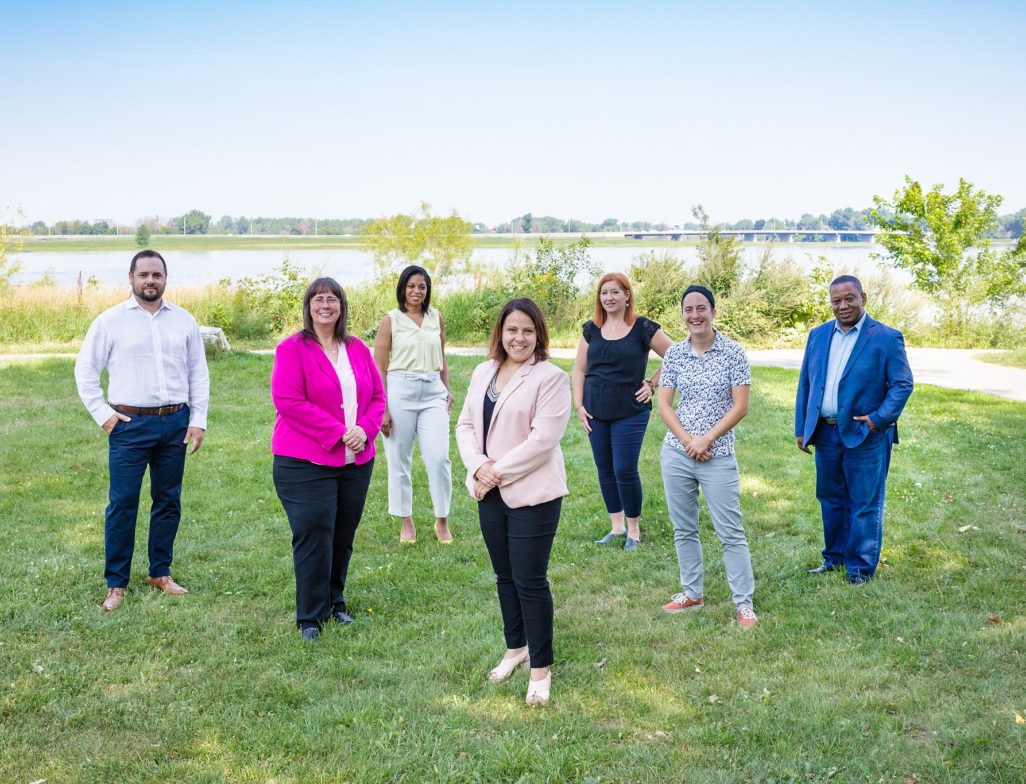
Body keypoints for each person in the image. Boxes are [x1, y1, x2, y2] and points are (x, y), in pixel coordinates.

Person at [74, 249, 209, 612]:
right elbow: (85, 371)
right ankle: (116, 583)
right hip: (129, 426)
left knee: (168, 501)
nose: (151, 281)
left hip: (174, 424)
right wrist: (104, 414)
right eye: (144, 275)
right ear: (131, 278)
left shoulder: (183, 321)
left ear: (166, 279)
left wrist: (198, 419)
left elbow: (199, 373)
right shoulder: (110, 321)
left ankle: (159, 572)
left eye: (157, 275)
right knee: (122, 504)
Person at [455, 298, 570, 706]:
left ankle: (540, 669)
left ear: (538, 334)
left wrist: (493, 471)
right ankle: (515, 648)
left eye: (527, 330)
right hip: (489, 491)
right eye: (511, 330)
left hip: (532, 494)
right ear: (500, 333)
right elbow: (466, 425)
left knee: (530, 580)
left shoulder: (551, 378)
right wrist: (478, 467)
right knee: (505, 577)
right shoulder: (483, 371)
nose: (518, 338)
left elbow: (543, 441)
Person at [271, 278, 385, 641]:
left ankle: (335, 602)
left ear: (341, 306)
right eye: (318, 299)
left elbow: (378, 397)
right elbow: (288, 401)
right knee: (313, 534)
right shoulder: (292, 349)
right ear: (308, 306)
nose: (325, 306)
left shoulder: (358, 349)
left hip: (356, 462)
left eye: (332, 299)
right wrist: (338, 431)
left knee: (343, 535)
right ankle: (310, 616)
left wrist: (365, 429)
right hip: (304, 463)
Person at [795, 274, 913, 585]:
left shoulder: (886, 338)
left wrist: (878, 418)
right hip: (826, 432)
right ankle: (833, 558)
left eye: (849, 299)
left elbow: (902, 385)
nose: (843, 306)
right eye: (836, 301)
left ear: (864, 298)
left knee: (865, 502)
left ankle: (860, 568)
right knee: (830, 499)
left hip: (867, 435)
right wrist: (802, 428)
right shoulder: (818, 335)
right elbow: (806, 383)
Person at [657, 285, 757, 629]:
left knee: (731, 532)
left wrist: (706, 439)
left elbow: (740, 406)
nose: (695, 315)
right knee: (683, 528)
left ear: (713, 311)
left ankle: (744, 604)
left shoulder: (733, 352)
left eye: (702, 308)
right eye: (688, 309)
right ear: (682, 314)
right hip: (677, 452)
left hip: (717, 454)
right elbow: (664, 405)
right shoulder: (675, 354)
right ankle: (691, 593)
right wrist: (687, 441)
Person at [572, 272, 672, 550]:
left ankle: (633, 530)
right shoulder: (591, 329)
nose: (609, 298)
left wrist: (652, 383)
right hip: (595, 410)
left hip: (631, 411)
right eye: (604, 293)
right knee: (605, 468)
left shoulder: (642, 327)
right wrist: (579, 406)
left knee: (624, 469)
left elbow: (676, 356)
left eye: (615, 292)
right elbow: (579, 370)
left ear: (627, 295)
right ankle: (616, 527)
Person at [373, 265, 454, 545]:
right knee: (399, 459)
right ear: (402, 289)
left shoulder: (436, 318)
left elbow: (441, 357)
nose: (417, 291)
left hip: (433, 392)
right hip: (400, 391)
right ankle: (406, 521)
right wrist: (382, 406)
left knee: (439, 458)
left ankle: (441, 519)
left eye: (422, 286)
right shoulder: (391, 320)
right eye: (411, 286)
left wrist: (446, 389)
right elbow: (379, 366)